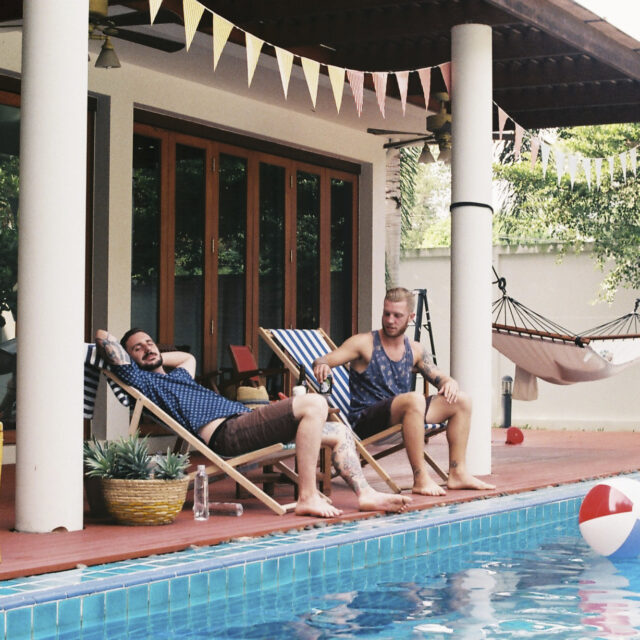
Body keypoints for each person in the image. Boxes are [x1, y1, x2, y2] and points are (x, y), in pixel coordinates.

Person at [95, 328, 411, 518]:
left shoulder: (179, 375)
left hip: (248, 422)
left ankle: (365, 492)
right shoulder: (143, 382)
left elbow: (185, 359)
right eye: (138, 348)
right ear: (129, 359)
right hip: (228, 431)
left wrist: (157, 354)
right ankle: (307, 496)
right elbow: (103, 338)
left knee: (339, 429)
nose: (147, 349)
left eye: (150, 343)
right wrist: (137, 355)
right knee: (315, 402)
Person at [312, 287, 495, 497]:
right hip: (367, 419)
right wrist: (322, 365)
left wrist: (449, 381)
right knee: (414, 399)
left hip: (405, 412)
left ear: (411, 317)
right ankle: (420, 478)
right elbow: (323, 359)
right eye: (386, 313)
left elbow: (437, 375)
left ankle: (458, 473)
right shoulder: (363, 343)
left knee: (461, 400)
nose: (390, 320)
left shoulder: (415, 349)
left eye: (397, 316)